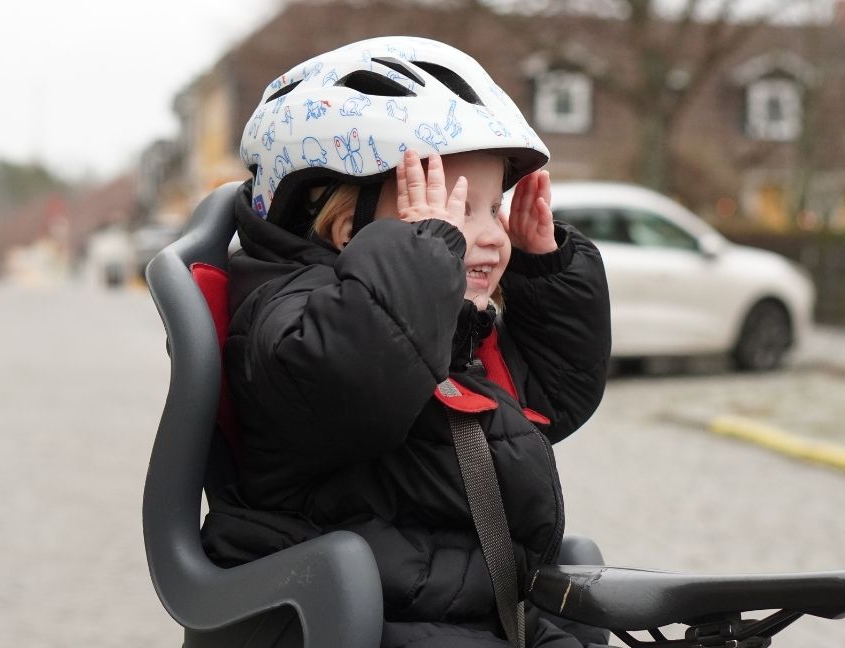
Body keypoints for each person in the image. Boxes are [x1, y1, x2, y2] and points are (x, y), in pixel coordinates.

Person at [200, 36, 612, 647]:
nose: (487, 235)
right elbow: (355, 384)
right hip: (359, 618)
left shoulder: (428, 317)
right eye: (452, 214)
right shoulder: (288, 319)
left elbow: (544, 401)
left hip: (471, 602)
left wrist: (546, 273)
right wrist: (424, 262)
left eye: (492, 209)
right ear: (347, 229)